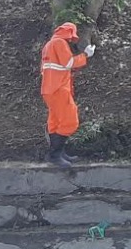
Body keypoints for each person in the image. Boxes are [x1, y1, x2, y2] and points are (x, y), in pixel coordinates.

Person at [40, 22, 94, 168]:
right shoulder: (59, 43)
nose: (71, 40)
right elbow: (69, 63)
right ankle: (55, 155)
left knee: (55, 121)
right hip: (58, 88)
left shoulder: (49, 45)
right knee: (70, 120)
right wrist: (85, 55)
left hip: (49, 88)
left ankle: (57, 153)